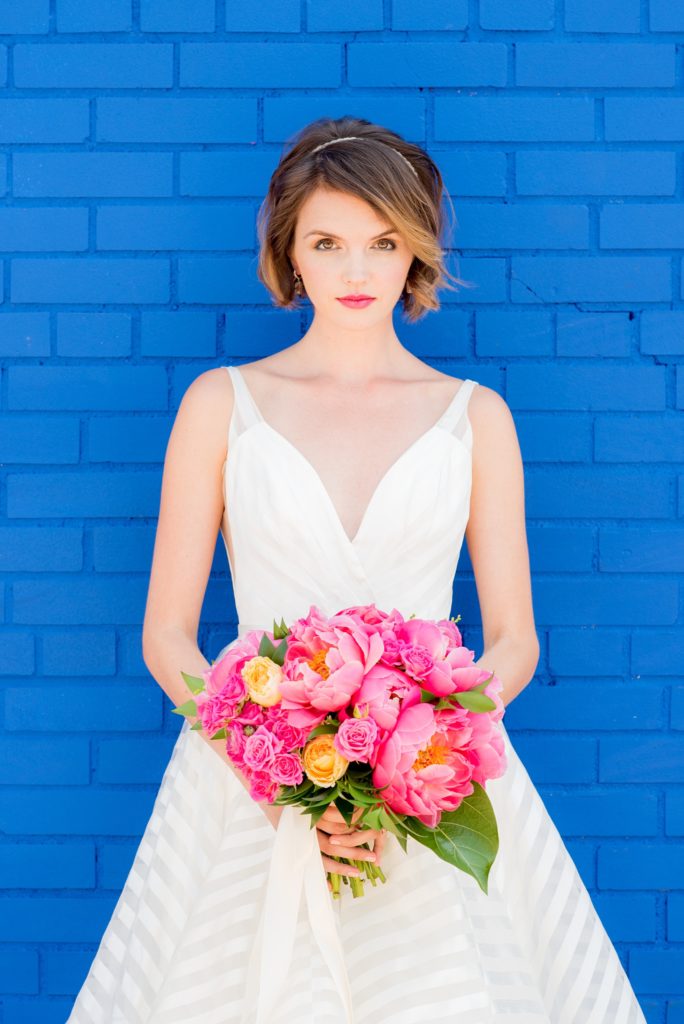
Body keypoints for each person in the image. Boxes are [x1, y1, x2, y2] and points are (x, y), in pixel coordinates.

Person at [67, 116, 647, 1023]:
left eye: (381, 244)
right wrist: (282, 781)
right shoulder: (221, 406)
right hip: (246, 793)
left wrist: (411, 769)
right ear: (290, 256)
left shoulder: (474, 417)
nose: (355, 270)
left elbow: (514, 638)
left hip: (426, 784)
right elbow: (167, 636)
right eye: (328, 243)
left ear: (412, 256)